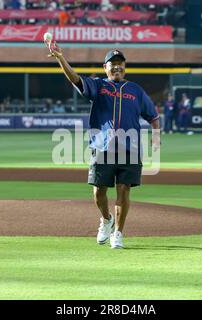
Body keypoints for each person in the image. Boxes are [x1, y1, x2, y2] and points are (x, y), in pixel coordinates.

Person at [45, 41, 161, 249]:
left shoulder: (135, 90)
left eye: (120, 63)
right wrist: (61, 58)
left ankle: (118, 232)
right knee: (99, 191)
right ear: (105, 68)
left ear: (125, 67)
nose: (117, 67)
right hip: (102, 147)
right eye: (112, 63)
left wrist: (156, 135)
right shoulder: (98, 86)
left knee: (124, 190)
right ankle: (106, 220)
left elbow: (152, 115)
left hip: (130, 149)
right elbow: (75, 79)